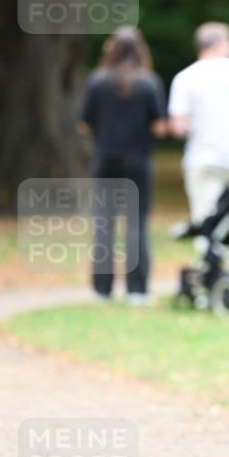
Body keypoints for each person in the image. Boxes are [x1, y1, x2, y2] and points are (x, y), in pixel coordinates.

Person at [78, 25, 167, 304]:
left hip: (105, 160)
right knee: (136, 224)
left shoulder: (97, 81)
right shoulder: (149, 82)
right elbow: (160, 127)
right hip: (138, 162)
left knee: (104, 223)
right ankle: (137, 290)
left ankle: (102, 290)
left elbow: (83, 123)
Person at [169, 23, 229, 227]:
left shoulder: (185, 77)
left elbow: (178, 126)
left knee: (205, 218)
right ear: (222, 43)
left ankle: (208, 256)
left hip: (201, 158)